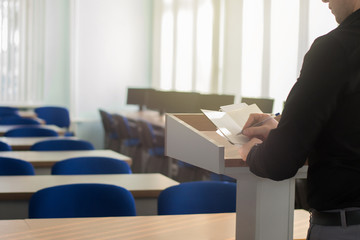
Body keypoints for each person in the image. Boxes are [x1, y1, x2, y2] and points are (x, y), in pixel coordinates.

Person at [238, 0, 360, 239]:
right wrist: (286, 126)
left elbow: (280, 162)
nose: (323, 0)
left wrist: (251, 152)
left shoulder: (335, 48)